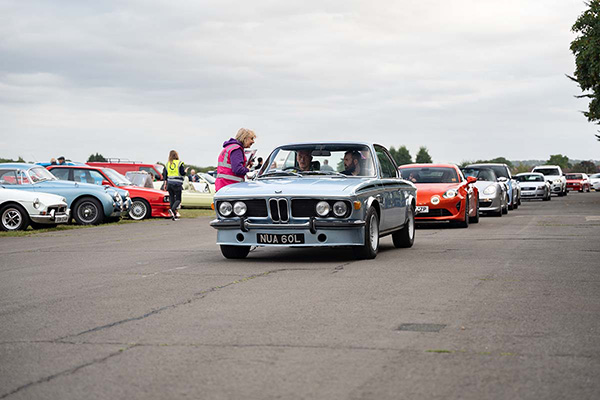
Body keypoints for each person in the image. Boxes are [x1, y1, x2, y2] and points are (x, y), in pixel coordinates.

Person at [162, 150, 188, 220]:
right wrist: (185, 171)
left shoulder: (167, 164)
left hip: (170, 183)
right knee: (178, 199)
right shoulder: (179, 163)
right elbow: (182, 173)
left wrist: (165, 183)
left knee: (171, 198)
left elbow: (165, 175)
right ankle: (173, 209)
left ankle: (174, 215)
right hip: (177, 183)